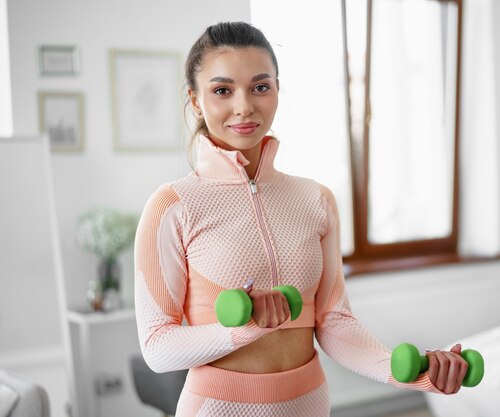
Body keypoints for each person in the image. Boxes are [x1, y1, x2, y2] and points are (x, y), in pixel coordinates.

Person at [134, 21, 468, 417]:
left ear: (277, 88)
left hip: (309, 404)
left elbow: (335, 323)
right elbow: (157, 346)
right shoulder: (173, 205)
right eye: (222, 90)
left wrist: (411, 372)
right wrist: (243, 328)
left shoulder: (315, 199)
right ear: (195, 100)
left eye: (261, 87)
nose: (244, 106)